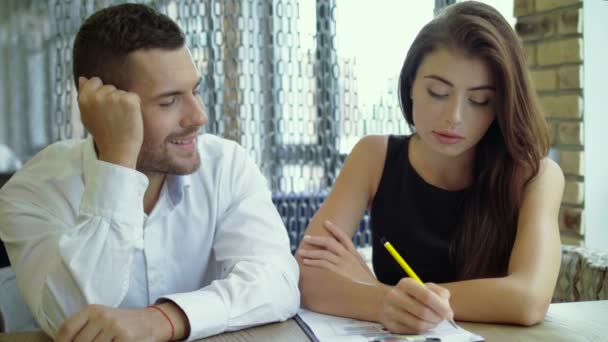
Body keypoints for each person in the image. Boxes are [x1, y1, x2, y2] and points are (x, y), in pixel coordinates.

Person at [0, 3, 299, 341]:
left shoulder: (226, 166)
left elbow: (278, 283)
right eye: (168, 102)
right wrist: (117, 162)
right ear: (101, 105)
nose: (198, 116)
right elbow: (73, 321)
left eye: (195, 91)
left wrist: (164, 319)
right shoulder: (34, 190)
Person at [296, 1, 564, 334]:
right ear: (410, 84)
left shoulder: (535, 176)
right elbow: (307, 275)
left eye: (479, 100)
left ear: (501, 106)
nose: (454, 117)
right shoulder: (373, 156)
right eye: (437, 92)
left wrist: (380, 294)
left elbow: (528, 299)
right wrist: (382, 304)